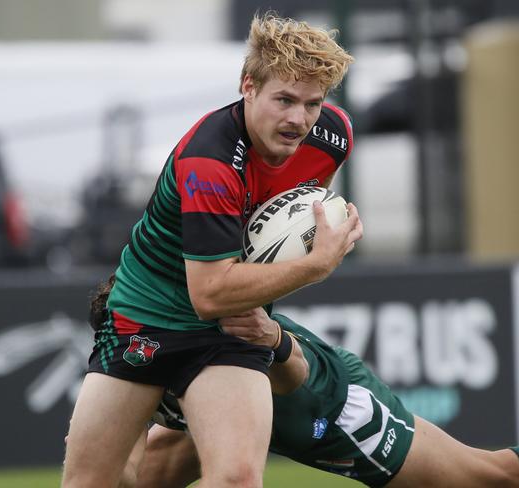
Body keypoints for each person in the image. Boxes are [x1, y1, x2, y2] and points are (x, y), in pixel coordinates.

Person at [62, 12, 363, 488]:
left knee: (237, 480)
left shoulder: (333, 136)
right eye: (283, 99)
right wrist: (315, 264)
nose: (298, 119)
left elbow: (298, 211)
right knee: (97, 482)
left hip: (230, 327)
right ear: (248, 86)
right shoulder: (210, 161)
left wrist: (305, 248)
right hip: (148, 312)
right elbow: (210, 293)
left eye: (312, 103)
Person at [82, 287, 519, 488]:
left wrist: (274, 340)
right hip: (248, 418)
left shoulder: (213, 332)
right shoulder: (129, 356)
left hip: (330, 408)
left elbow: (294, 378)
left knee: (493, 478)